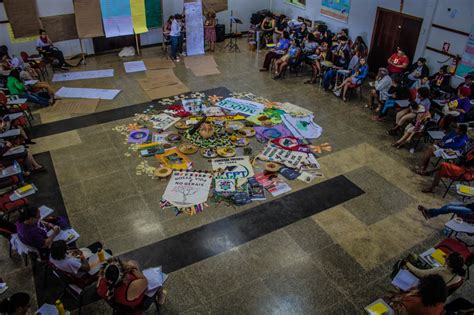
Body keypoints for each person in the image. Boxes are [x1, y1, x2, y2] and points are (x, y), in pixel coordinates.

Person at [97, 258, 166, 313]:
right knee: (158, 283)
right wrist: (132, 269)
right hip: (136, 306)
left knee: (131, 262)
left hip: (121, 304)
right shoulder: (132, 286)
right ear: (124, 276)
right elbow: (145, 281)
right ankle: (160, 298)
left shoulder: (102, 281)